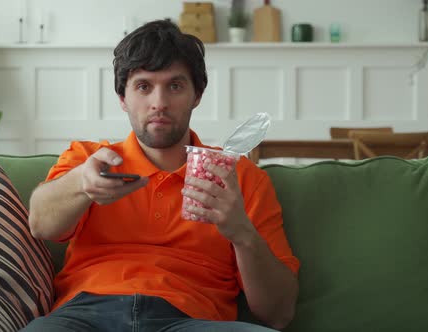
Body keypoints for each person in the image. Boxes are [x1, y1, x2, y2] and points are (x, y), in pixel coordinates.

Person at [25, 20, 299, 332]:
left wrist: (241, 233)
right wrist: (81, 184)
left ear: (197, 95)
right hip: (85, 315)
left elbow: (278, 314)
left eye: (175, 86)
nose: (159, 103)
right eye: (143, 86)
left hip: (191, 320)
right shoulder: (88, 159)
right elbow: (39, 223)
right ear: (123, 98)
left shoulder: (242, 179)